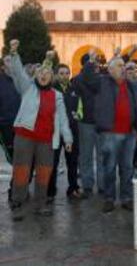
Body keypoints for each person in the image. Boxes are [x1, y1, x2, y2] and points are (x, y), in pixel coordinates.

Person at [7, 40, 73, 221]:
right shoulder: (27, 88)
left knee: (44, 171)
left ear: (52, 78)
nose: (43, 75)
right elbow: (18, 72)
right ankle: (18, 203)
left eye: (47, 73)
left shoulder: (57, 95)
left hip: (46, 140)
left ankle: (41, 203)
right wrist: (14, 54)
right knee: (22, 171)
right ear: (35, 76)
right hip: (24, 136)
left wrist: (67, 139)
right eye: (41, 73)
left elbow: (63, 119)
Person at [82, 51, 137, 213]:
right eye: (120, 65)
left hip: (129, 134)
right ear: (111, 69)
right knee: (109, 168)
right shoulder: (102, 83)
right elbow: (86, 77)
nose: (124, 68)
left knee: (127, 168)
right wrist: (91, 61)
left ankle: (126, 198)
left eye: (124, 65)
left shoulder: (131, 85)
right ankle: (109, 198)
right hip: (110, 134)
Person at [72, 51, 105, 199]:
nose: (96, 65)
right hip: (86, 122)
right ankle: (88, 185)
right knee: (87, 155)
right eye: (93, 63)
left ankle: (100, 185)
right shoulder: (79, 80)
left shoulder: (100, 79)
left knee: (100, 156)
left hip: (99, 123)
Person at [47, 64, 81, 202]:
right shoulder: (51, 89)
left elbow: (81, 108)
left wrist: (78, 115)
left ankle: (73, 188)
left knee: (72, 161)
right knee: (53, 162)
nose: (65, 76)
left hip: (72, 131)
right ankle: (50, 191)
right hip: (54, 131)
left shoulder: (75, 89)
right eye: (61, 73)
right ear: (56, 75)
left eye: (67, 73)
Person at [0, 57, 21, 201]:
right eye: (7, 62)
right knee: (13, 157)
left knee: (18, 158)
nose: (10, 65)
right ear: (2, 66)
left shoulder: (19, 81)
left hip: (18, 126)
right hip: (4, 125)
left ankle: (16, 189)